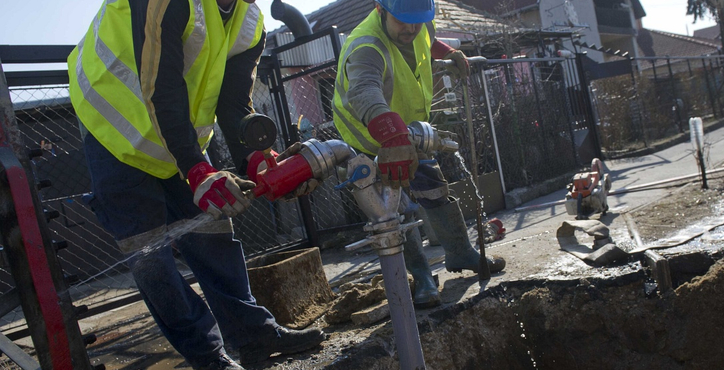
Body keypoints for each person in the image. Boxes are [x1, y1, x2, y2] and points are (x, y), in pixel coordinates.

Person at [67, 0, 323, 369]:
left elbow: (234, 101)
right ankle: (208, 357)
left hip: (176, 135)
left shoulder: (249, 20)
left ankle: (254, 336)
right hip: (114, 126)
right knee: (150, 256)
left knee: (214, 233)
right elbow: (162, 85)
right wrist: (196, 169)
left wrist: (254, 158)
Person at [332, 0, 506, 308]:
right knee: (396, 210)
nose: (411, 29)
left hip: (407, 133)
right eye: (403, 22)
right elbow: (364, 92)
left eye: (418, 21)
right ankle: (422, 277)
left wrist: (448, 53)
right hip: (370, 141)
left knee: (434, 190)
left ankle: (460, 252)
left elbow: (428, 39)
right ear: (380, 9)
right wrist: (392, 137)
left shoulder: (418, 23)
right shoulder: (366, 46)